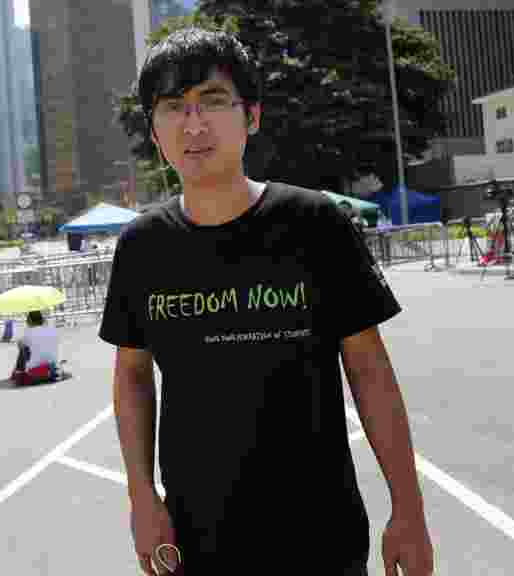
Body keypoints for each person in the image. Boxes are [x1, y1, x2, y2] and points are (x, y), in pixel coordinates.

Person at [99, 27, 432, 576]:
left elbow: (370, 371)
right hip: (195, 538)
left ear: (251, 115)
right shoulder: (142, 247)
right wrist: (142, 498)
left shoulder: (314, 222)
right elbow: (132, 375)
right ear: (155, 132)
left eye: (213, 101)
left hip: (321, 534)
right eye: (172, 107)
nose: (194, 124)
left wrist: (409, 510)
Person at [11, 310, 60, 386]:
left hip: (34, 369)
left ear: (29, 320)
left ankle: (18, 372)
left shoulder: (28, 332)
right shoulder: (52, 329)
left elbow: (21, 346)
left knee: (22, 347)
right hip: (53, 366)